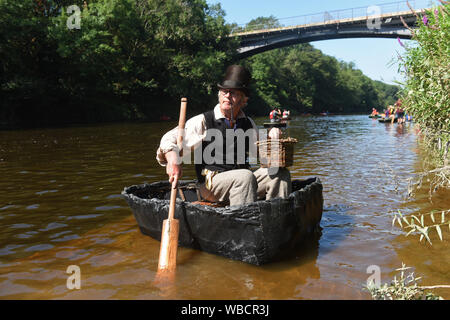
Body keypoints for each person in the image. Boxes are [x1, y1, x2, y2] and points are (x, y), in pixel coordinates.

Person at [156, 65, 291, 207]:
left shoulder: (248, 123)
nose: (227, 95)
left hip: (244, 183)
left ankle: (277, 216)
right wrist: (172, 159)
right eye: (224, 91)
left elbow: (265, 157)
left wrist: (272, 139)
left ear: (243, 99)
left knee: (279, 173)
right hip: (211, 186)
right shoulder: (203, 120)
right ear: (219, 95)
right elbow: (168, 139)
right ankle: (244, 223)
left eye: (233, 93)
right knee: (244, 176)